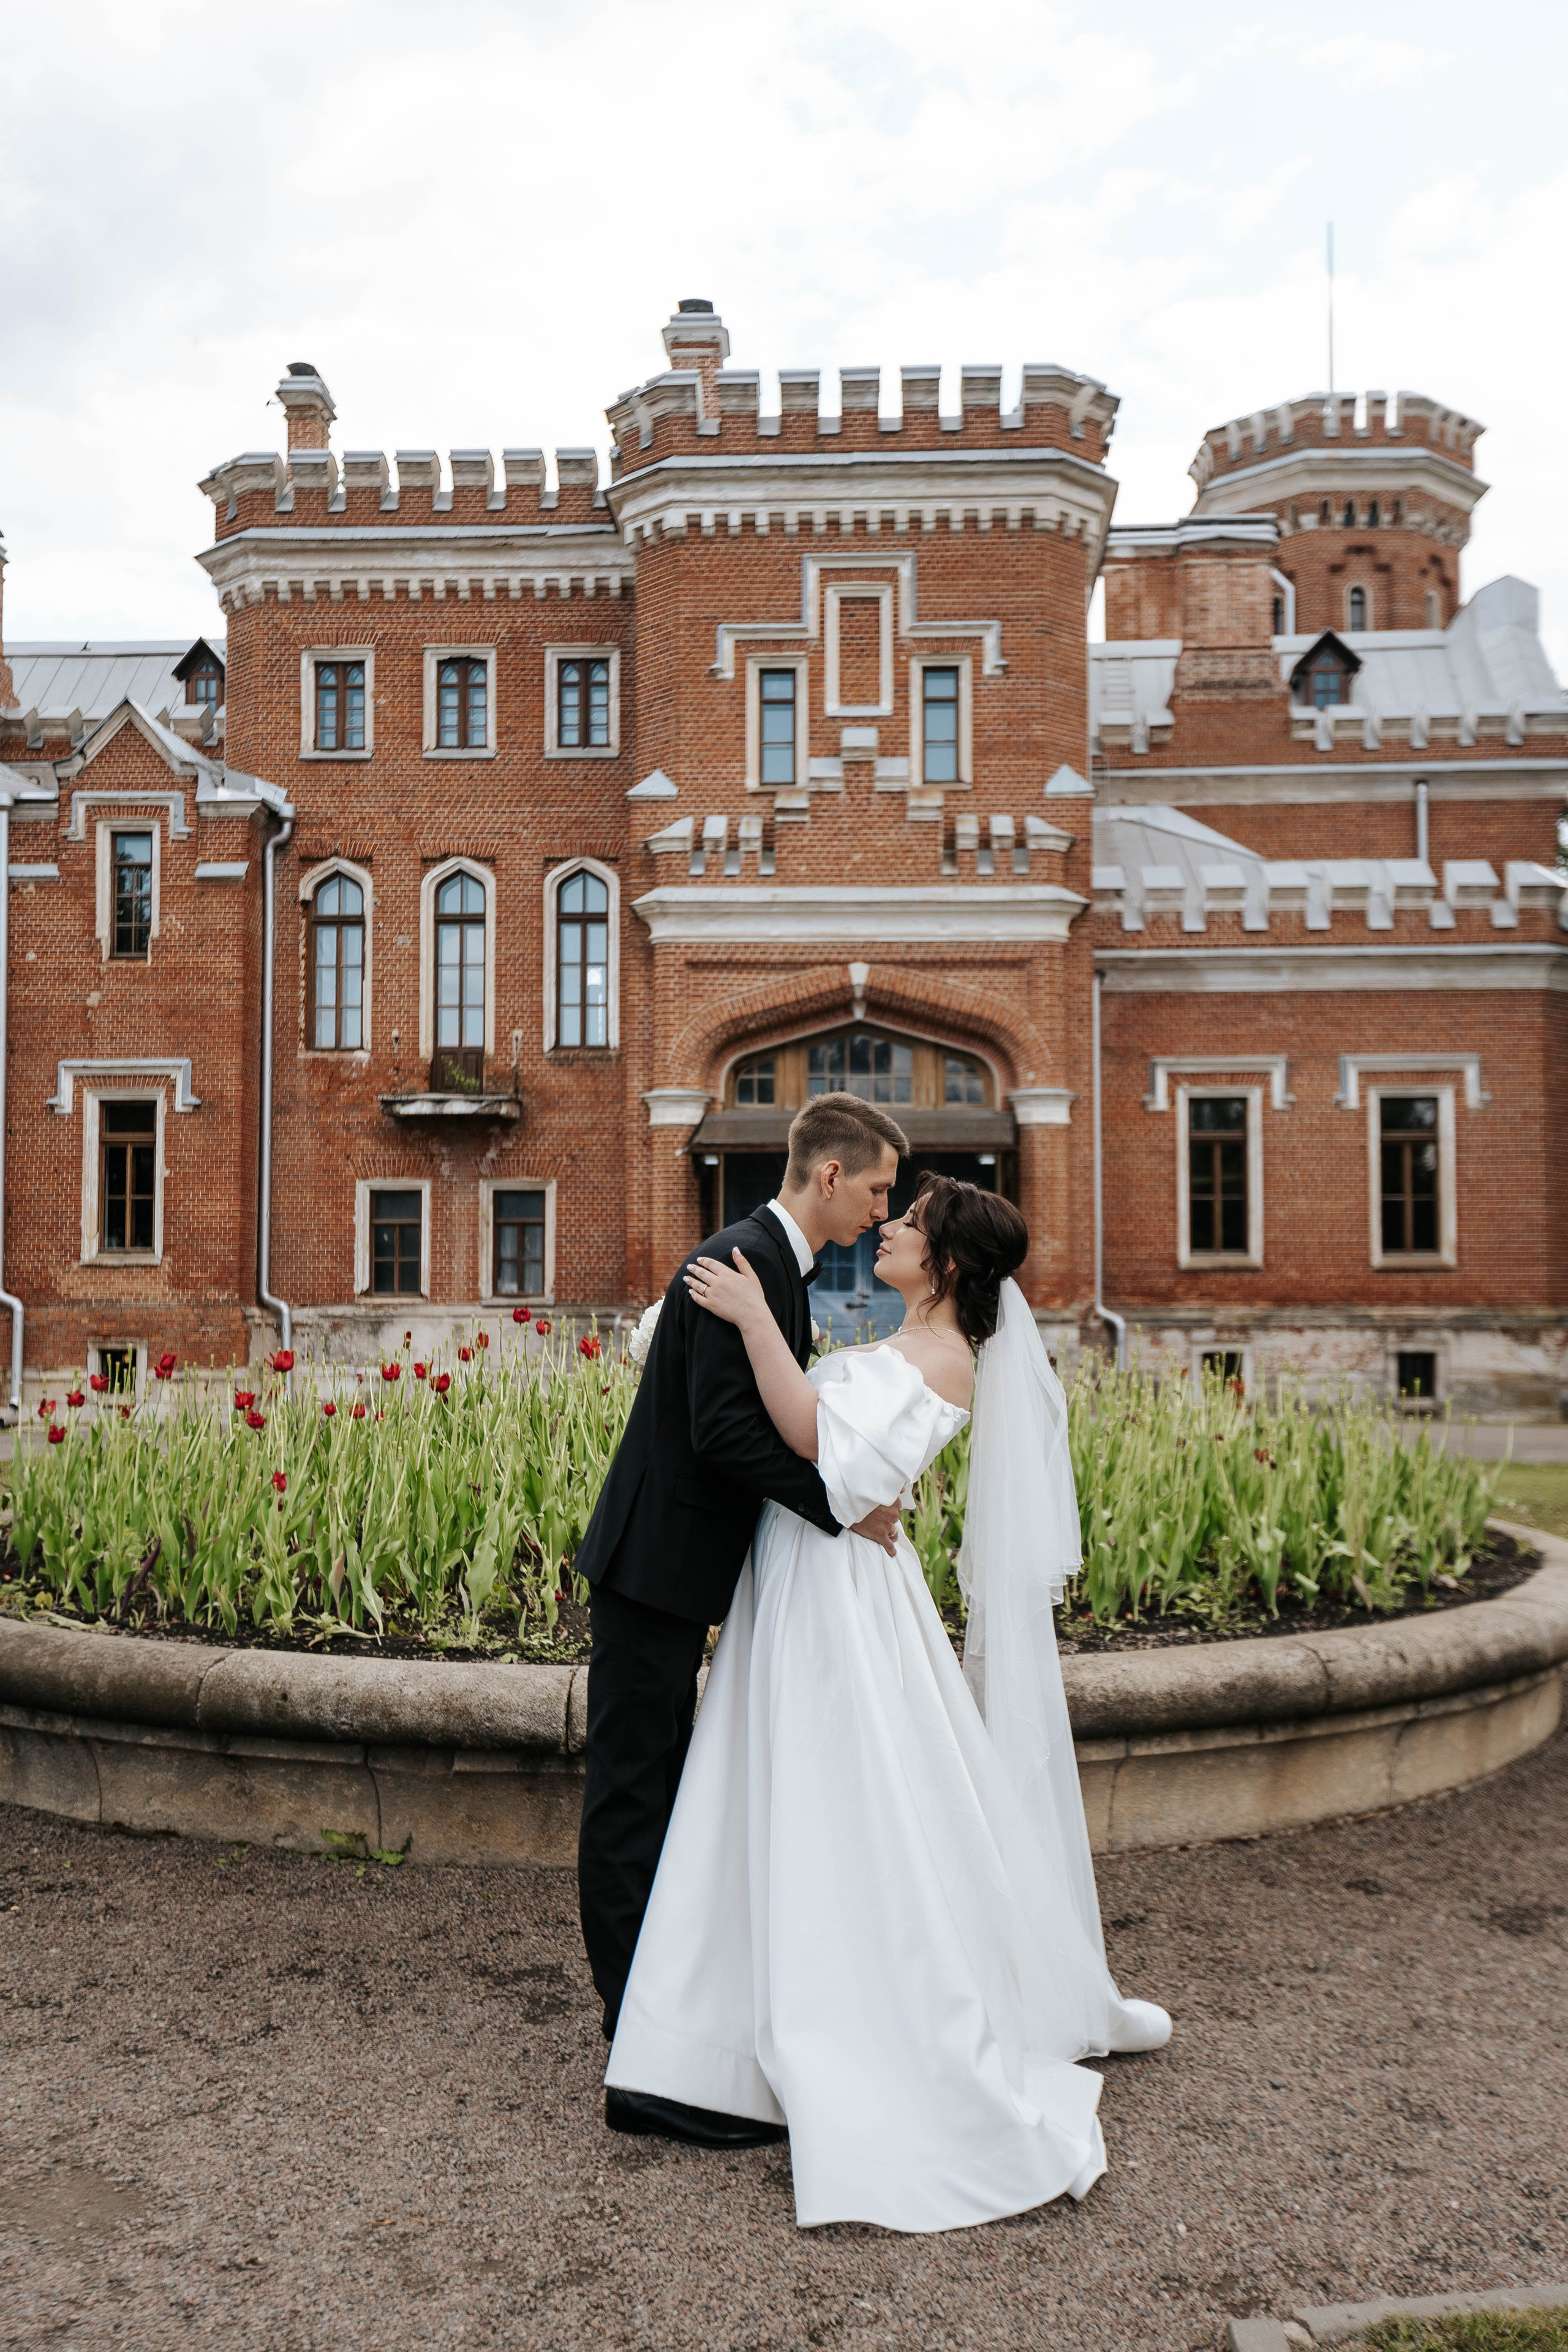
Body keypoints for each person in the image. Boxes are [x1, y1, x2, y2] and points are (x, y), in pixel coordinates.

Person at [605, 1170, 1172, 2233]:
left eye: (908, 1224)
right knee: (776, 1794)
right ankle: (713, 2029)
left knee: (834, 1800)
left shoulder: (945, 1356)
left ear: (947, 1263)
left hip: (837, 1600)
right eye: (892, 1211)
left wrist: (751, 1325)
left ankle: (824, 2023)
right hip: (812, 1574)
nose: (889, 1229)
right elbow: (826, 1458)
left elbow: (821, 1442)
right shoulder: (913, 1337)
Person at [575, 1091, 911, 2149]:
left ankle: (659, 2033)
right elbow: (722, 1432)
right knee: (633, 1793)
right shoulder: (746, 1262)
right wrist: (838, 1506)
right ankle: (639, 2062)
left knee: (658, 1788)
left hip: (675, 1566)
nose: (881, 1208)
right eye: (877, 1188)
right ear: (827, 1177)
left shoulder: (768, 1267)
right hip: (653, 1564)